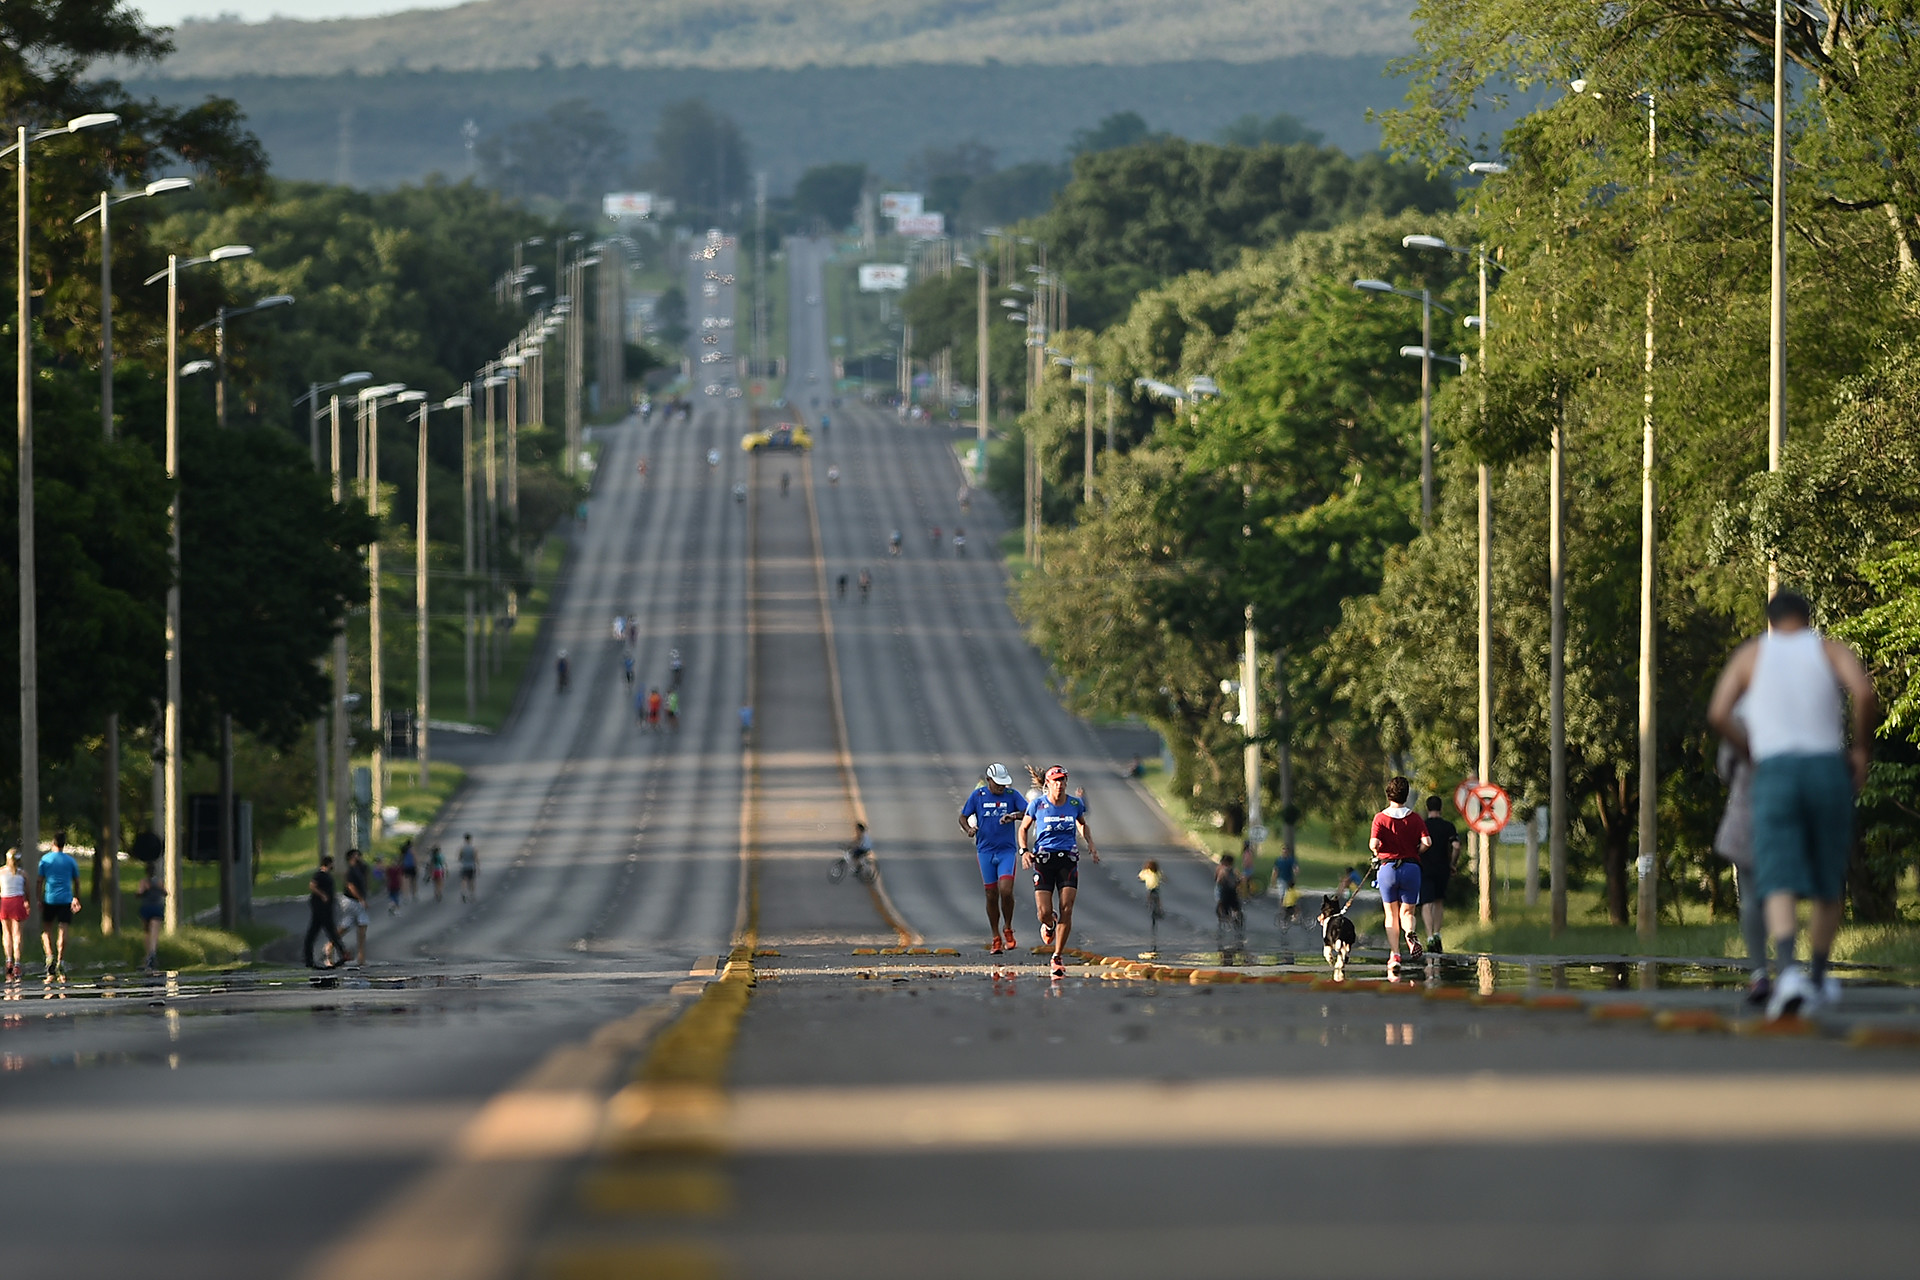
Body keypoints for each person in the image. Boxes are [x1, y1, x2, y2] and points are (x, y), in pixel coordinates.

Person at [1707, 589, 1878, 1021]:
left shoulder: (1752, 656)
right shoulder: (1828, 650)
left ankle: (1787, 974)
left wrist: (1750, 749)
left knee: (1776, 874)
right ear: (1807, 618)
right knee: (1828, 875)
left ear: (1771, 619)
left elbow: (1718, 712)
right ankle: (1817, 977)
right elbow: (1864, 692)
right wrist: (1861, 751)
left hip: (1775, 771)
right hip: (1825, 767)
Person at [1018, 765, 1100, 978]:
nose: (1060, 784)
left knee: (1067, 907)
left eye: (1063, 780)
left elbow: (1082, 824)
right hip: (1044, 860)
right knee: (1043, 912)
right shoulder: (1038, 804)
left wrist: (1090, 843)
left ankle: (1057, 956)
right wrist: (1024, 850)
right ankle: (1049, 924)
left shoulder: (1074, 803)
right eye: (1056, 780)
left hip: (1068, 860)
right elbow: (1023, 828)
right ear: (1048, 784)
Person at [959, 762, 1028, 954]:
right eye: (998, 784)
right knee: (991, 894)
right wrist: (969, 829)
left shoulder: (1012, 795)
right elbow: (963, 817)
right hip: (985, 851)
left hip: (1006, 851)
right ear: (989, 781)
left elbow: (1029, 813)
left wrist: (1013, 816)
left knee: (1006, 890)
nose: (1001, 787)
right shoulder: (978, 796)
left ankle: (1008, 927)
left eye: (1004, 784)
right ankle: (995, 936)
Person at [1370, 777, 1430, 966]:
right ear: (1406, 795)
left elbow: (1374, 844)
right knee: (1407, 913)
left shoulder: (1380, 818)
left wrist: (1376, 850)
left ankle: (1395, 954)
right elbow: (1428, 842)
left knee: (1390, 914)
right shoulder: (1415, 818)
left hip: (1388, 868)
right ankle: (1409, 933)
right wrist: (1416, 852)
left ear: (1388, 794)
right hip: (1411, 868)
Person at [1420, 795, 1461, 955]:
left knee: (1426, 904)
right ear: (1441, 808)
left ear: (1427, 808)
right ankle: (1437, 934)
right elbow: (1456, 846)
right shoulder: (1448, 826)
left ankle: (1429, 937)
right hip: (1443, 868)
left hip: (1425, 868)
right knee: (1438, 902)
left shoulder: (1422, 826)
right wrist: (1452, 863)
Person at [37, 831, 81, 977]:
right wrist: (76, 898)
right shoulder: (70, 861)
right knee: (63, 929)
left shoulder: (45, 860)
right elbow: (77, 881)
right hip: (65, 900)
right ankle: (60, 960)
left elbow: (40, 880)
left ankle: (49, 956)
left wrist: (39, 898)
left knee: (47, 929)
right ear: (64, 844)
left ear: (53, 843)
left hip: (50, 899)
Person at [304, 853, 346, 969]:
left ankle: (309, 959)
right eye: (332, 863)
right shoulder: (319, 874)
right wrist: (322, 895)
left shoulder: (326, 875)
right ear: (329, 863)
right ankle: (343, 953)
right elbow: (312, 885)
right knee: (330, 931)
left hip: (326, 908)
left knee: (318, 932)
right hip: (321, 909)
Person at [342, 848, 371, 965]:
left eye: (359, 855)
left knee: (346, 925)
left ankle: (330, 945)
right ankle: (361, 956)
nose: (358, 857)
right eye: (355, 856)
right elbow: (350, 886)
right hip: (352, 901)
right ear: (350, 858)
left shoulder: (360, 869)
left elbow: (367, 873)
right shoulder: (350, 871)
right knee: (362, 925)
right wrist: (361, 900)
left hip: (356, 901)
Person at [1, 848, 27, 979]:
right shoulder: (22, 873)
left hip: (5, 901)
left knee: (6, 933)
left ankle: (8, 960)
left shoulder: (1, 872)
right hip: (17, 901)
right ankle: (17, 963)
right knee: (17, 933)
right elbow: (26, 890)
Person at [135, 862, 166, 971]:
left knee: (147, 932)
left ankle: (148, 955)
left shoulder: (144, 882)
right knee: (154, 931)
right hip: (156, 908)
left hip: (146, 908)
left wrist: (145, 891)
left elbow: (139, 893)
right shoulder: (159, 882)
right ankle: (152, 953)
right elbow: (165, 893)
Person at [1215, 854, 1244, 941]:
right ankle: (1236, 918)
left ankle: (1227, 918)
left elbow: (1219, 881)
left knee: (1223, 906)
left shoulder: (1222, 870)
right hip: (1233, 892)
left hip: (1225, 892)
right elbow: (1240, 880)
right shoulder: (1235, 870)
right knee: (1236, 907)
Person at [1139, 859, 1164, 935]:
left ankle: (1149, 903)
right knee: (1158, 898)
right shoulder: (1158, 872)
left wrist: (1140, 879)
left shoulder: (1146, 872)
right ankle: (1159, 909)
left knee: (1149, 894)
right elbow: (1162, 877)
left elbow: (1140, 876)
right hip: (1156, 887)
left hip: (1150, 887)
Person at [457, 834, 479, 903]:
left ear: (465, 839)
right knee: (472, 880)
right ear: (470, 839)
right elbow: (476, 858)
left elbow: (459, 858)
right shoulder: (474, 848)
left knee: (464, 880)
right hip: (471, 866)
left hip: (464, 866)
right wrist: (478, 866)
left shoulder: (462, 848)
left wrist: (463, 860)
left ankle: (463, 892)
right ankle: (472, 894)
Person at [399, 838, 418, 902]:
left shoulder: (403, 850)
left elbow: (401, 859)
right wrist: (416, 866)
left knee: (406, 882)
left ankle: (406, 896)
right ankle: (414, 895)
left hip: (405, 867)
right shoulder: (412, 850)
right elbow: (415, 858)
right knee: (413, 882)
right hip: (412, 867)